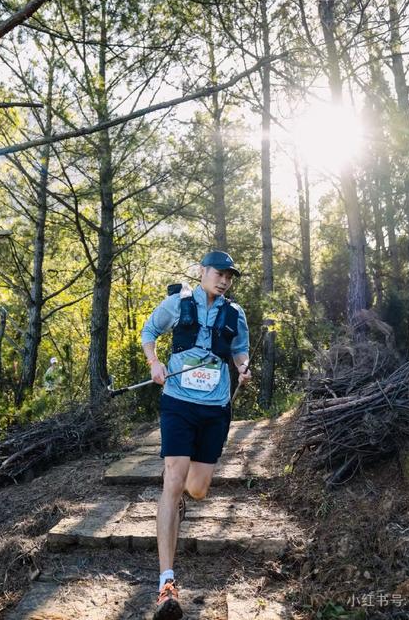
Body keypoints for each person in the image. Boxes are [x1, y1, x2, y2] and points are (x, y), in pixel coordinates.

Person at [141, 250, 251, 620]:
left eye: (229, 276)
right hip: (178, 402)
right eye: (218, 273)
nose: (223, 280)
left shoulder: (236, 315)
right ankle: (166, 583)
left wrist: (244, 368)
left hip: (215, 408)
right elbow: (149, 332)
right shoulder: (177, 304)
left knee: (198, 488)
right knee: (173, 479)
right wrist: (155, 363)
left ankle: (181, 489)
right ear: (202, 271)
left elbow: (240, 352)